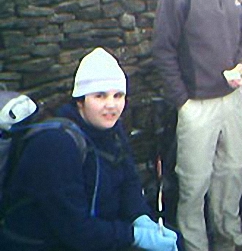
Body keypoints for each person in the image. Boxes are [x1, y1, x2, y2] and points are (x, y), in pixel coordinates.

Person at [0, 47, 179, 251]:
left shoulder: (111, 129)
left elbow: (128, 179)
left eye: (118, 95)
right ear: (80, 100)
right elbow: (74, 229)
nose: (111, 105)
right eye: (100, 96)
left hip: (93, 233)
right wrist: (133, 236)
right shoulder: (55, 144)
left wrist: (141, 217)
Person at [152, 0, 242, 251]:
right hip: (196, 103)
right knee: (194, 180)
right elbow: (163, 48)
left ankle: (229, 237)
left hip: (233, 98)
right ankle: (195, 244)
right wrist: (182, 100)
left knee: (234, 170)